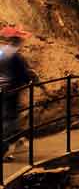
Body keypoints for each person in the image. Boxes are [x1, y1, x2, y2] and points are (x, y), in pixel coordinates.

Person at [0, 27, 33, 161]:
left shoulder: (1, 51)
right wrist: (29, 81)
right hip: (10, 90)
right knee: (10, 118)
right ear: (17, 40)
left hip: (0, 89)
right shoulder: (15, 56)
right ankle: (6, 147)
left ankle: (15, 140)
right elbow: (22, 74)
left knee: (4, 118)